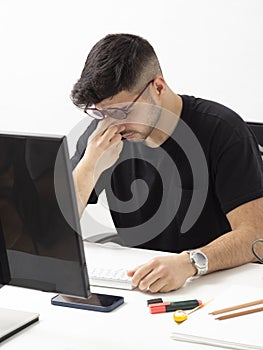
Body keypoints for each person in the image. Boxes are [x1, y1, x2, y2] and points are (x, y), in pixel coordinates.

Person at [70, 33, 263, 293]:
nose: (112, 123)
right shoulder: (104, 134)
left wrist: (191, 262)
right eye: (100, 112)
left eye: (122, 111)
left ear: (158, 87)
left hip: (213, 285)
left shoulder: (223, 130)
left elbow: (256, 236)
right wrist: (89, 166)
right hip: (139, 285)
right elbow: (51, 228)